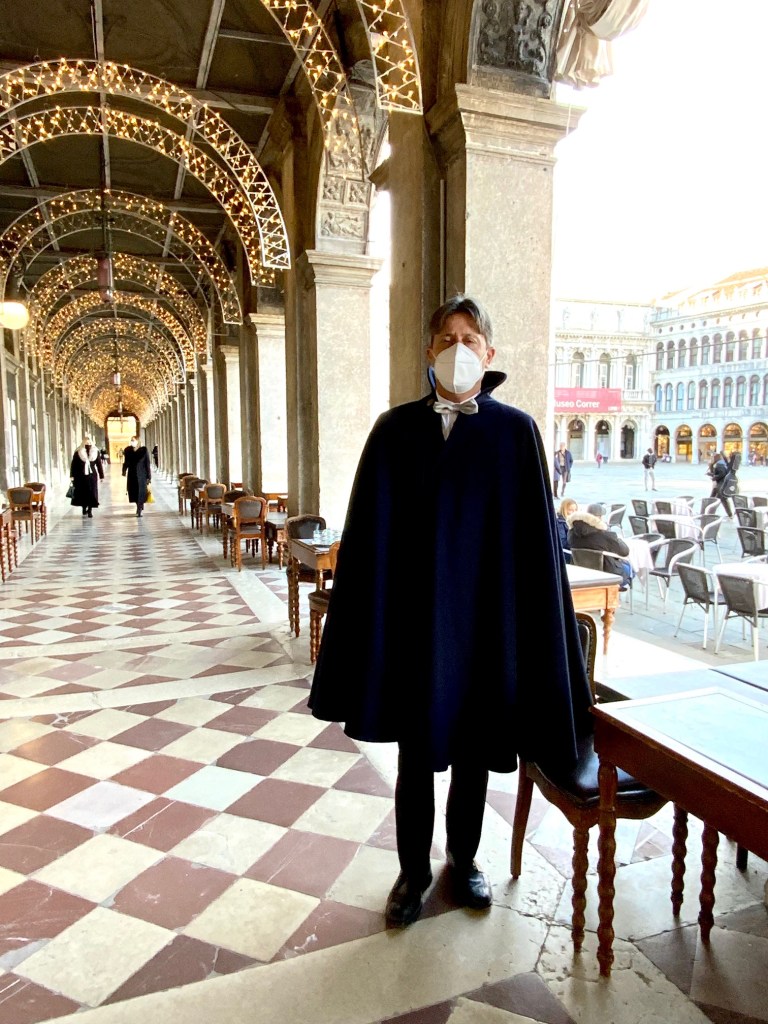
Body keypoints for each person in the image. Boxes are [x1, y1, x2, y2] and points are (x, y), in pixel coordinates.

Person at [309, 295, 591, 928]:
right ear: (428, 351)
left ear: (489, 354)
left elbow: (534, 545)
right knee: (415, 754)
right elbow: (370, 534)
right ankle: (412, 872)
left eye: (470, 339)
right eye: (446, 338)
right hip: (414, 627)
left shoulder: (515, 433)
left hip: (485, 624)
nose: (457, 349)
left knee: (473, 751)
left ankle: (463, 862)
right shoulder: (393, 431)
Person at [567, 502, 634, 590]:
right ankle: (616, 589)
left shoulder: (571, 533)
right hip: (607, 573)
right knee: (630, 568)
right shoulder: (604, 534)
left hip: (582, 572)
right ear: (599, 518)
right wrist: (616, 538)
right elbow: (625, 551)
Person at [69, 434, 104, 518]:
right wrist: (72, 475)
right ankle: (84, 507)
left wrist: (101, 476)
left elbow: (99, 464)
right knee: (83, 492)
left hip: (92, 476)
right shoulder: (78, 451)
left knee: (92, 492)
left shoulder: (95, 451)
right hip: (80, 476)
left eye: (89, 442)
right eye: (86, 442)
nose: (88, 444)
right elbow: (74, 464)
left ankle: (90, 510)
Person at [122, 435, 152, 517]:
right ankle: (138, 505)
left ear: (138, 441)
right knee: (133, 492)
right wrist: (124, 470)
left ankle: (139, 508)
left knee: (141, 492)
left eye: (134, 440)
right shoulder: (128, 451)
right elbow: (126, 462)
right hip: (132, 475)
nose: (132, 442)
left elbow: (147, 464)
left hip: (141, 476)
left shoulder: (143, 451)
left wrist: (149, 477)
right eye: (131, 440)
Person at [707, 451, 736, 518]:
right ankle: (709, 513)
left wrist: (714, 477)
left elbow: (722, 474)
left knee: (716, 499)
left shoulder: (719, 465)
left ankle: (709, 513)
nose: (711, 459)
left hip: (720, 485)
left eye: (712, 458)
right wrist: (711, 473)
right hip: (720, 485)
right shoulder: (721, 463)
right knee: (715, 499)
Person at [557, 498, 578, 563]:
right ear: (564, 510)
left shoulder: (576, 521)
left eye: (575, 510)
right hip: (567, 554)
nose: (573, 512)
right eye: (570, 510)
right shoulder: (560, 523)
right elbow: (562, 542)